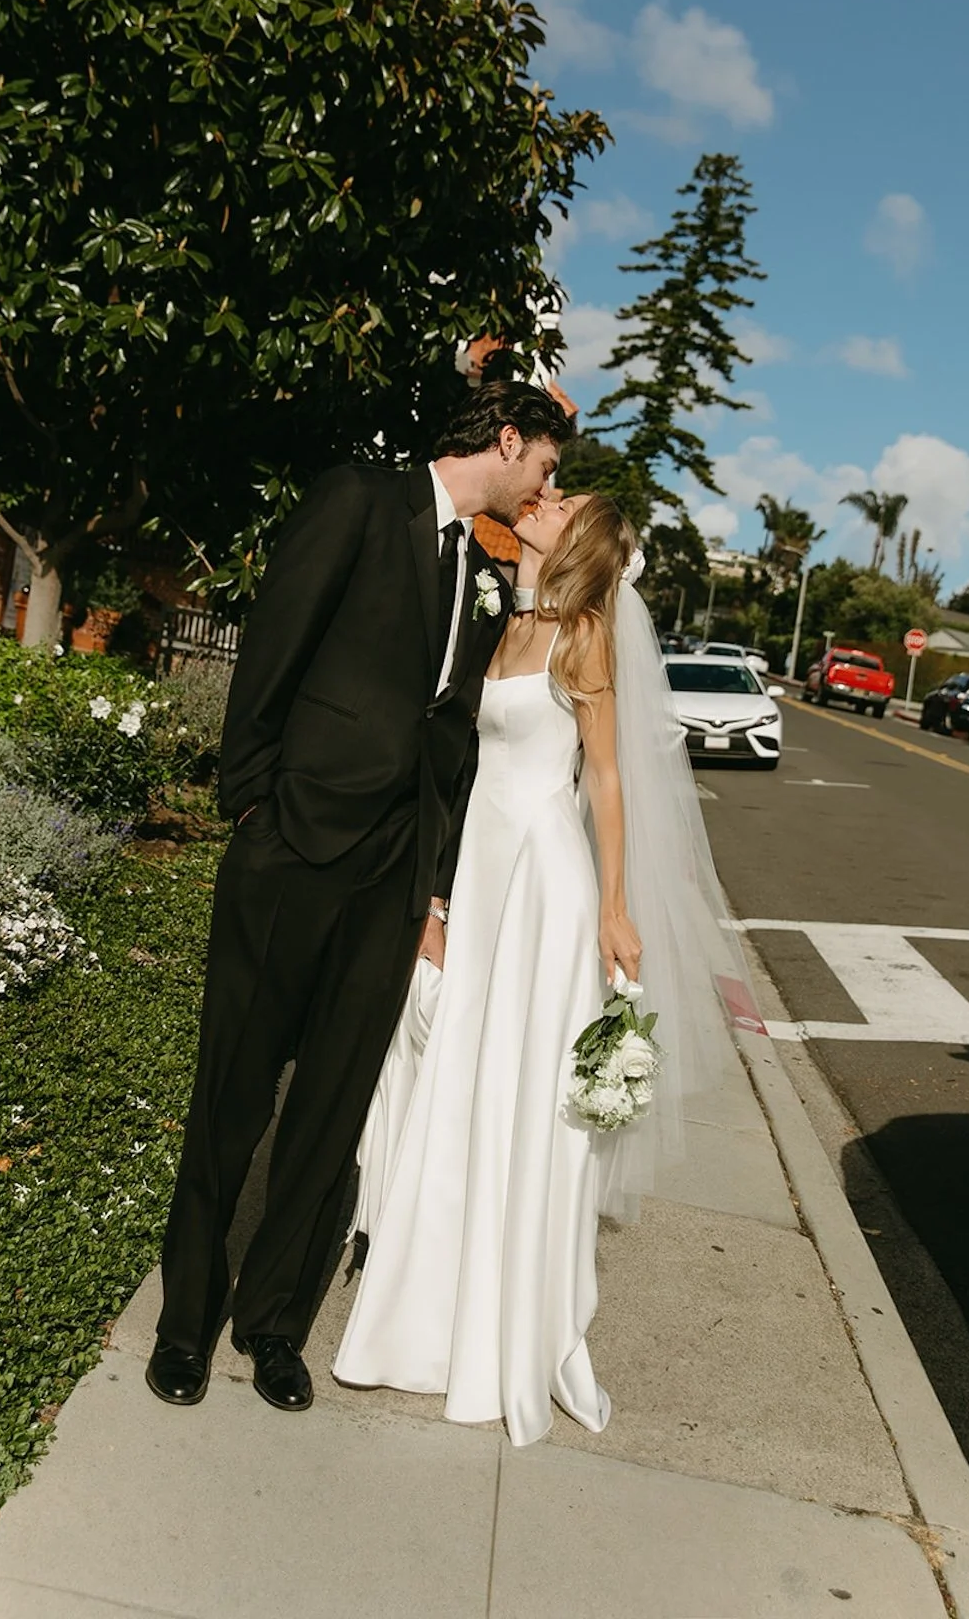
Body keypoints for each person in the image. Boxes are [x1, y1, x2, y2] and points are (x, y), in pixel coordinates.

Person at [147, 381, 576, 1414]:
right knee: (233, 1096)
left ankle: (273, 1326)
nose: (547, 486)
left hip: (393, 878)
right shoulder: (358, 500)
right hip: (293, 851)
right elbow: (273, 652)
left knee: (332, 1110)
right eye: (546, 466)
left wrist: (432, 886)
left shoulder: (485, 565)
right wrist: (254, 809)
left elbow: (455, 739)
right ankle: (184, 1324)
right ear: (506, 441)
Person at [333, 490, 743, 1444]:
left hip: (546, 880)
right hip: (481, 867)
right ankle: (429, 1305)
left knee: (520, 1088)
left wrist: (613, 905)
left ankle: (506, 1320)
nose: (545, 500)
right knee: (462, 1072)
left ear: (581, 541)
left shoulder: (585, 636)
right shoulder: (509, 620)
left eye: (563, 502)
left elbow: (604, 778)